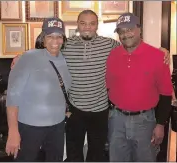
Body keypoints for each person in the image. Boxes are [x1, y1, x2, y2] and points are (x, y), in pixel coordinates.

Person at [10, 10, 171, 162]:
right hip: (75, 111)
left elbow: (131, 45)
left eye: (92, 23)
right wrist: (22, 55)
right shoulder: (67, 45)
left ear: (97, 25)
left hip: (100, 111)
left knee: (97, 154)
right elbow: (48, 49)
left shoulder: (110, 45)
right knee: (74, 154)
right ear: (77, 25)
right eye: (83, 23)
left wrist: (161, 50)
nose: (87, 27)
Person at [106, 13, 173, 162]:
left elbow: (166, 93)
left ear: (139, 30)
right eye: (121, 31)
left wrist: (160, 124)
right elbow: (107, 87)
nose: (125, 34)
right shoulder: (112, 55)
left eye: (129, 29)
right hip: (116, 120)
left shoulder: (157, 56)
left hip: (145, 121)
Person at [5, 17, 71, 162]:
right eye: (50, 36)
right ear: (43, 38)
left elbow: (61, 90)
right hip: (29, 128)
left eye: (59, 36)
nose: (55, 41)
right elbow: (12, 97)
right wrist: (13, 131)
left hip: (57, 127)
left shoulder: (65, 59)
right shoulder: (27, 58)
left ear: (63, 38)